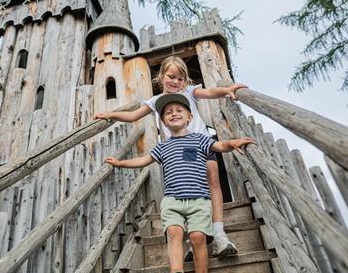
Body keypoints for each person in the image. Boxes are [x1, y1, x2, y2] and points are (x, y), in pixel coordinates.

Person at [95, 56, 247, 257]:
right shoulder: (156, 101)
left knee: (213, 184)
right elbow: (132, 116)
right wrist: (111, 115)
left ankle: (219, 234)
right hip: (176, 153)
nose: (176, 82)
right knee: (183, 193)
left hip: (202, 144)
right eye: (172, 77)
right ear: (161, 76)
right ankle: (191, 242)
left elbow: (210, 92)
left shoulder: (190, 92)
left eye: (180, 79)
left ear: (185, 81)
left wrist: (226, 90)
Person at [105, 94, 254, 273]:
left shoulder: (200, 139)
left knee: (197, 237)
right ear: (164, 122)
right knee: (174, 232)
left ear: (189, 117)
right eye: (168, 113)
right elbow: (143, 160)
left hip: (199, 200)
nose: (173, 114)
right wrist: (121, 163)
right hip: (172, 200)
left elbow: (221, 146)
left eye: (178, 110)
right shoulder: (162, 146)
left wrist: (233, 142)